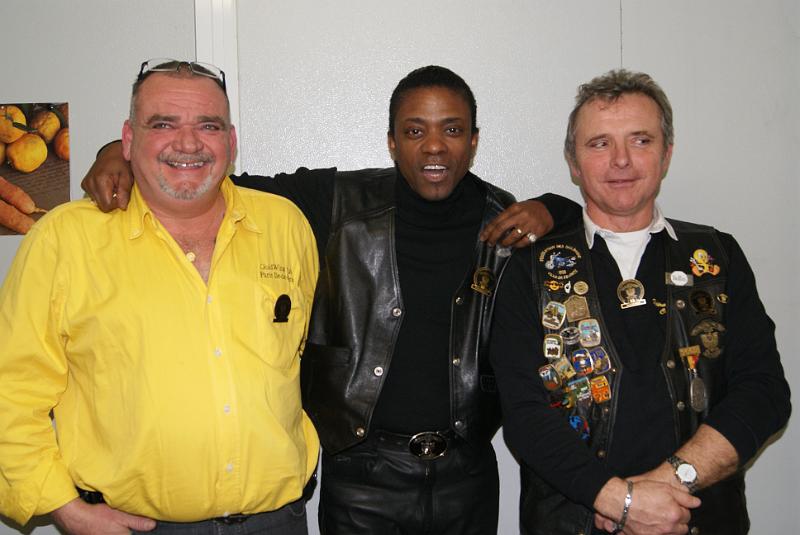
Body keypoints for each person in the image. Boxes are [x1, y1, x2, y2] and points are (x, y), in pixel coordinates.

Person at [81, 65, 578, 534]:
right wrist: (117, 154)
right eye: (414, 130)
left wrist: (555, 207)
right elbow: (213, 181)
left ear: (473, 140)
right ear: (391, 141)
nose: (434, 146)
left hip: (466, 479)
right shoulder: (338, 200)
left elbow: (591, 236)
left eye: (452, 130)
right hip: (360, 479)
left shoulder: (505, 220)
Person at [0, 59, 320, 534]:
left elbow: (301, 359)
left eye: (208, 126)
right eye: (163, 124)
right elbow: (11, 389)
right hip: (133, 525)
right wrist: (62, 506)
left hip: (277, 522)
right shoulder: (65, 240)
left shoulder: (284, 224)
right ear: (128, 140)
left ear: (231, 141)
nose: (188, 143)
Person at [490, 69, 790, 535]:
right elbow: (524, 415)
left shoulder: (718, 256)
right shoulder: (529, 270)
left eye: (641, 140)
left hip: (701, 519)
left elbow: (764, 393)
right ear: (573, 162)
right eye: (600, 144)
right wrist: (614, 500)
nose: (621, 160)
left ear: (666, 154)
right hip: (574, 523)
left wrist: (659, 488)